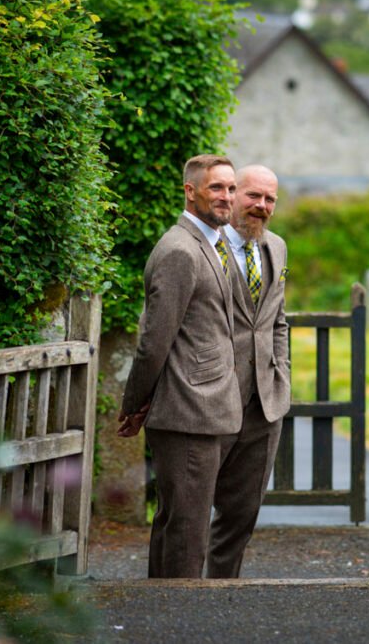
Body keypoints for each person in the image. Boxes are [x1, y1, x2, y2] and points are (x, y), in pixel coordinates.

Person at [117, 154, 242, 578]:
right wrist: (134, 404)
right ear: (190, 191)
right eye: (216, 188)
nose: (226, 197)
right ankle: (179, 617)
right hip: (188, 411)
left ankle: (163, 612)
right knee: (186, 529)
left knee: (177, 522)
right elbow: (153, 341)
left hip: (203, 409)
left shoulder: (213, 244)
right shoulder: (179, 251)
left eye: (230, 187)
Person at [208, 164, 290, 578]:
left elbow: (277, 320)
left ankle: (223, 587)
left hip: (263, 400)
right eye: (253, 196)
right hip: (210, 395)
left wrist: (282, 375)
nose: (261, 206)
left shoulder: (276, 246)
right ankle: (177, 591)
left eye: (270, 199)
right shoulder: (206, 247)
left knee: (243, 508)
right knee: (188, 508)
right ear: (232, 194)